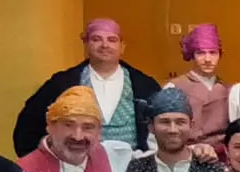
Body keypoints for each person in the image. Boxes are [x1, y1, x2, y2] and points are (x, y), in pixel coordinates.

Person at [15, 18, 162, 156]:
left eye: (112, 40)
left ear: (122, 47)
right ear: (86, 44)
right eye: (96, 39)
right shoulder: (61, 84)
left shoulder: (145, 86)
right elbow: (28, 127)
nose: (105, 45)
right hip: (77, 171)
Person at [166, 24, 230, 149]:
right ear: (192, 55)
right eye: (200, 53)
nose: (207, 59)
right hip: (186, 153)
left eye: (213, 53)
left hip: (221, 155)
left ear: (220, 55)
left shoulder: (227, 90)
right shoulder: (175, 87)